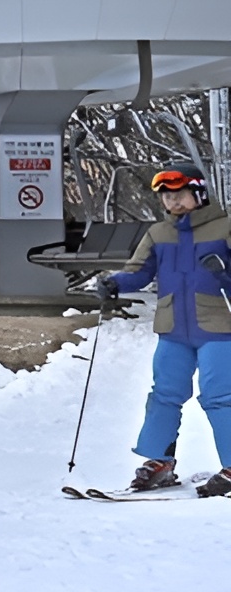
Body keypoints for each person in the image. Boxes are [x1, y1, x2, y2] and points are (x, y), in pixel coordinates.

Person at [102, 164, 231, 495]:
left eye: (180, 194)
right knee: (164, 394)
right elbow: (138, 272)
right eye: (167, 196)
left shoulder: (225, 227)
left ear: (199, 194)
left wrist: (224, 273)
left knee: (221, 397)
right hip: (174, 328)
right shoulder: (158, 234)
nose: (173, 202)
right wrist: (114, 283)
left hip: (220, 327)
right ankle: (160, 462)